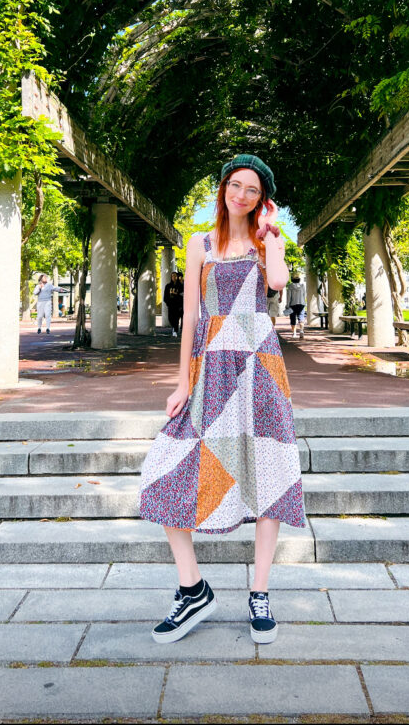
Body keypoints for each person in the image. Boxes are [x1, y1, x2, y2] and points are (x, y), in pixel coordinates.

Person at [139, 154, 305, 646]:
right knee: (164, 471)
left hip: (260, 366)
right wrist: (181, 381)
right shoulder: (200, 244)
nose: (242, 195)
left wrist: (272, 232)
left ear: (262, 198)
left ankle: (259, 593)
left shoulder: (265, 241)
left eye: (252, 190)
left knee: (270, 473)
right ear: (223, 188)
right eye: (236, 185)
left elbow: (277, 284)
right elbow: (189, 316)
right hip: (210, 367)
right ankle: (193, 588)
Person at [163, 271, 183, 338]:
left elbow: (182, 296)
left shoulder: (180, 286)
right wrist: (167, 303)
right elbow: (165, 296)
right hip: (171, 305)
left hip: (178, 306)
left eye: (175, 276)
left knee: (176, 319)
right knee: (170, 318)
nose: (174, 277)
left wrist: (181, 305)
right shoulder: (168, 286)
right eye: (172, 276)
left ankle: (175, 331)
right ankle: (174, 328)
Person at [287, 273, 306, 339]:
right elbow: (304, 295)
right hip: (301, 304)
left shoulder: (290, 286)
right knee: (301, 317)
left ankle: (294, 333)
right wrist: (303, 302)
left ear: (292, 279)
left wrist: (287, 305)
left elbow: (289, 297)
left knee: (293, 319)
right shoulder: (302, 286)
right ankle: (301, 331)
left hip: (292, 304)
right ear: (299, 279)